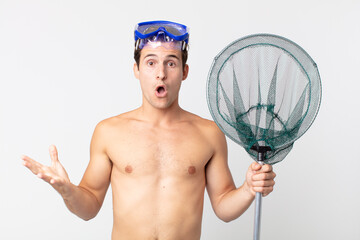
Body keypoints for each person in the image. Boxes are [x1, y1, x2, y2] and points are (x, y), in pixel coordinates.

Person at [22, 20, 276, 240]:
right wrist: (68, 191)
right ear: (136, 69)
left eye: (171, 63)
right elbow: (89, 206)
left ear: (185, 72)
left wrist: (248, 188)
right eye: (151, 63)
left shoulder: (208, 134)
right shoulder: (109, 132)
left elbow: (223, 206)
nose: (161, 74)